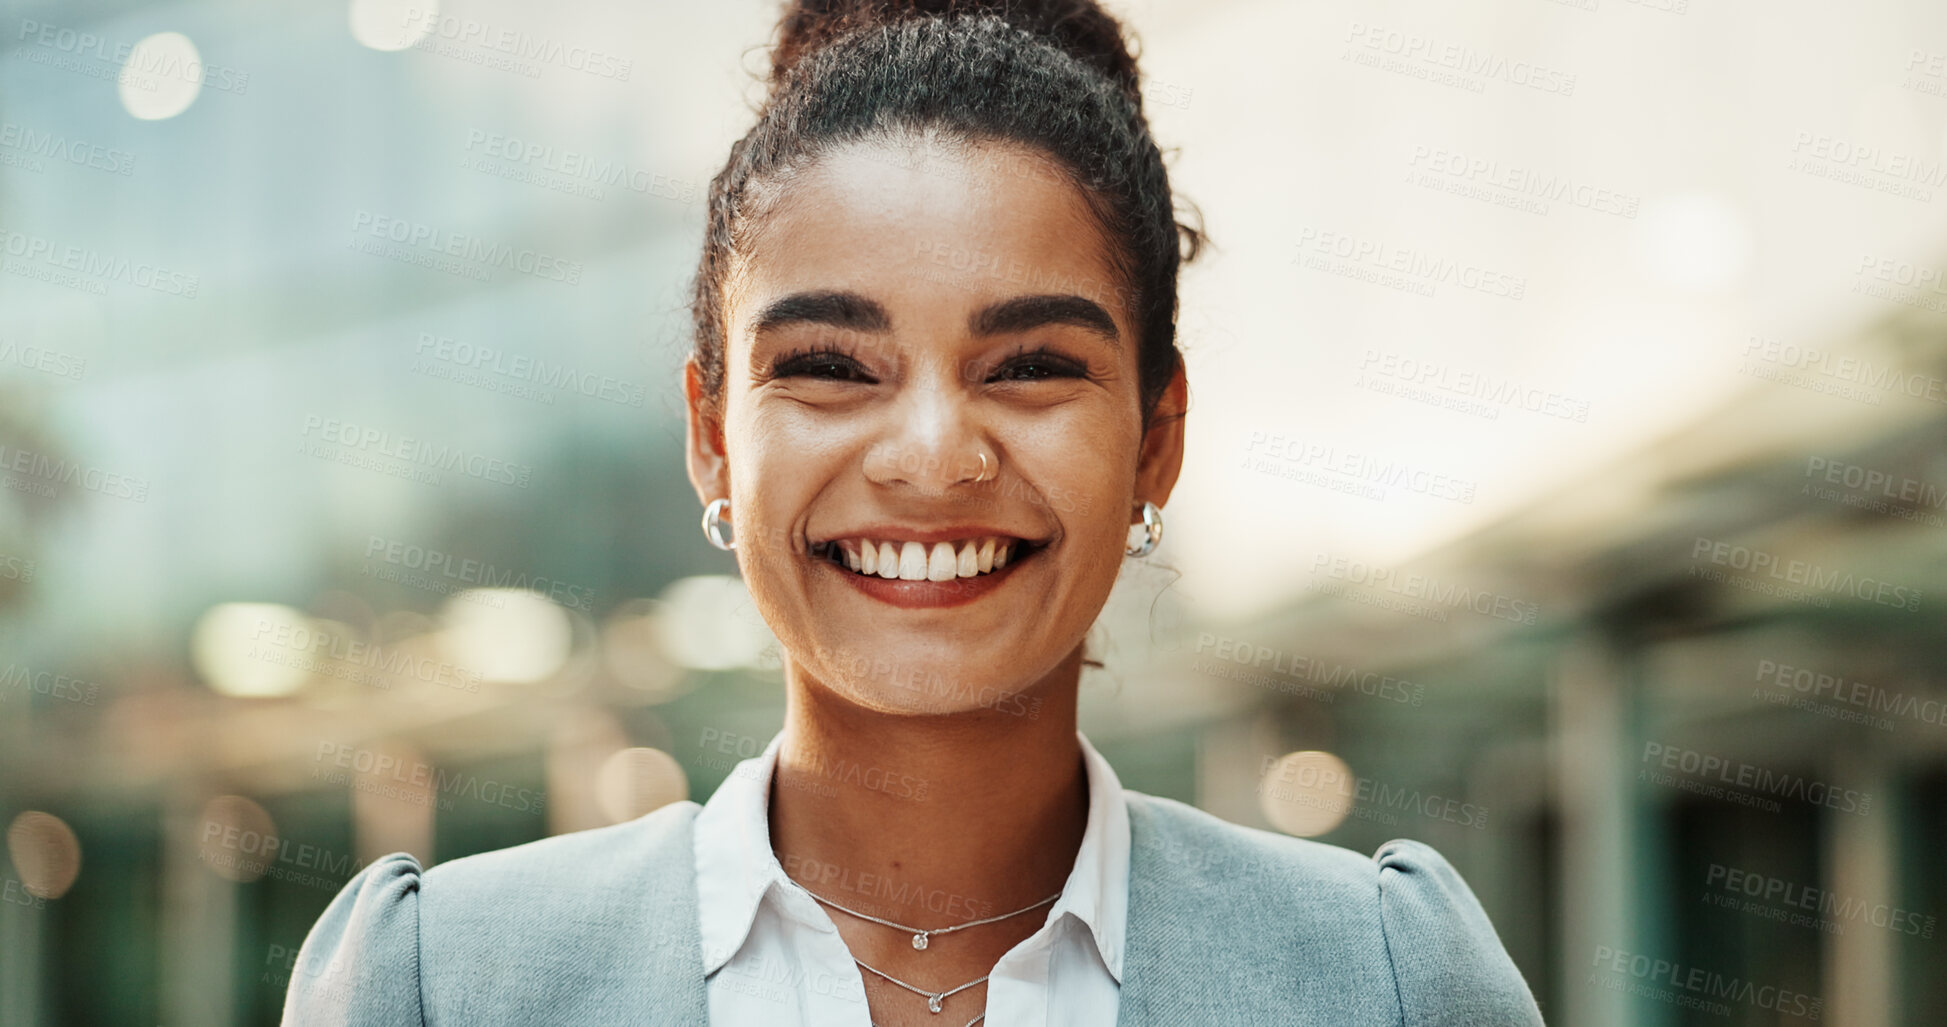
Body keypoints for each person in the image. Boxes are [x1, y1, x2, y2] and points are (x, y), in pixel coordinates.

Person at [283, 1, 1547, 1023]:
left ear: (1157, 439)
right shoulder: (442, 983)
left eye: (1033, 364)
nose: (935, 459)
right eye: (831, 366)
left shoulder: (1382, 980)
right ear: (714, 437)